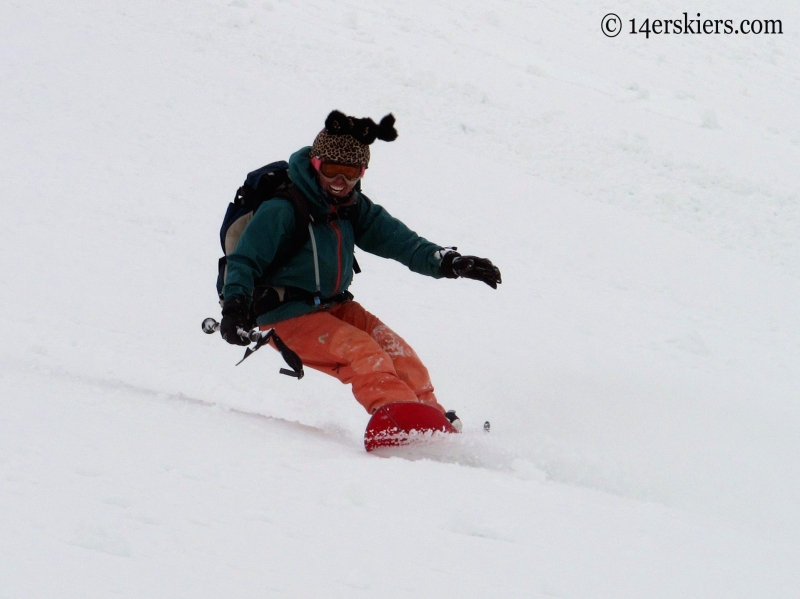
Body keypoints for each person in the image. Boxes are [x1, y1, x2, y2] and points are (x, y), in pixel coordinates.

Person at [219, 110, 501, 429]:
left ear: (362, 172)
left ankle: (431, 419)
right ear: (316, 165)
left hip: (334, 305)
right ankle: (398, 417)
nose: (341, 181)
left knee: (398, 352)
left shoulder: (351, 206)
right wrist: (234, 307)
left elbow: (401, 241)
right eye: (332, 170)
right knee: (363, 352)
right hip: (286, 314)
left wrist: (449, 262)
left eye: (350, 172)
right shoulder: (282, 210)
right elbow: (244, 260)